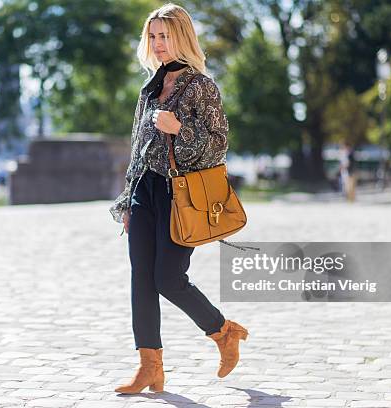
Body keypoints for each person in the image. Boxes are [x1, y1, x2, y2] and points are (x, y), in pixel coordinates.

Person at [108, 3, 248, 395]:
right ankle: (149, 365)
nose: (157, 44)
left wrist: (179, 128)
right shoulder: (151, 87)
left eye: (164, 36)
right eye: (152, 36)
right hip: (145, 190)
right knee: (141, 278)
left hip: (180, 193)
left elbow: (218, 147)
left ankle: (223, 332)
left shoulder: (202, 86)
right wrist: (127, 202)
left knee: (168, 278)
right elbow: (137, 148)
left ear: (182, 37)